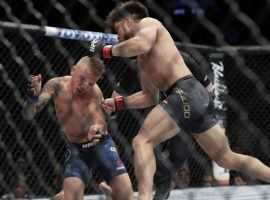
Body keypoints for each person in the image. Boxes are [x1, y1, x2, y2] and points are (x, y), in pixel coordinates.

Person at [89, 1, 270, 199]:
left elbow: (141, 43)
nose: (117, 36)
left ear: (128, 20)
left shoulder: (149, 24)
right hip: (192, 98)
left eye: (117, 29)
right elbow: (149, 97)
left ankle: (144, 197)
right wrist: (119, 103)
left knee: (142, 141)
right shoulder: (142, 60)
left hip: (185, 91)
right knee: (226, 158)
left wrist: (107, 50)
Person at [22, 56, 134, 200]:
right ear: (73, 70)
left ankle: (110, 194)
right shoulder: (56, 85)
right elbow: (28, 115)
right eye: (82, 79)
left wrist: (96, 130)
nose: (84, 86)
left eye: (90, 83)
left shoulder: (94, 92)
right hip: (76, 151)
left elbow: (101, 123)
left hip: (102, 146)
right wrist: (32, 98)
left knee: (128, 198)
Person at [110, 51, 212, 200]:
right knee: (139, 145)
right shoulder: (138, 63)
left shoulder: (182, 58)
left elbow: (208, 87)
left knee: (178, 155)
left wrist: (207, 112)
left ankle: (163, 182)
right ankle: (157, 185)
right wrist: (112, 107)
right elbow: (118, 94)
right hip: (158, 111)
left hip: (186, 110)